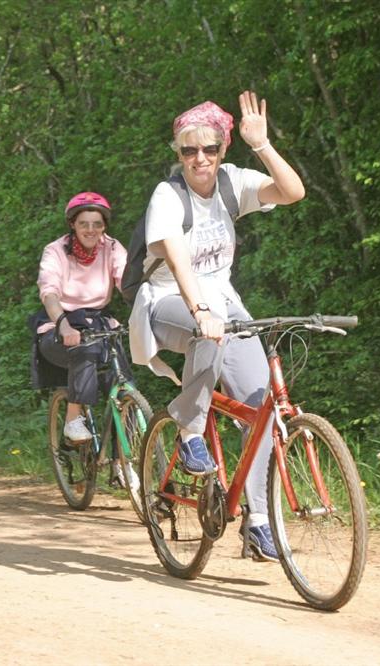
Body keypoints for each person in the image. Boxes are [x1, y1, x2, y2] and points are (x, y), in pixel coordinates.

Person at [128, 92, 305, 561]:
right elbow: (177, 257)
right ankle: (190, 432)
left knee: (258, 404)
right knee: (210, 331)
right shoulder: (168, 195)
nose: (199, 159)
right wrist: (201, 309)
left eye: (209, 148)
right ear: (178, 154)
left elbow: (293, 193)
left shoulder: (233, 182)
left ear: (224, 148)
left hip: (223, 306)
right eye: (188, 151)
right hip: (167, 303)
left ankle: (260, 522)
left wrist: (262, 146)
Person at [35, 192, 128, 441]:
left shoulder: (112, 247)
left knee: (123, 382)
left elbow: (127, 282)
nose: (90, 230)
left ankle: (124, 462)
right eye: (83, 223)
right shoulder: (55, 251)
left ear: (104, 226)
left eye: (97, 224)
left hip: (99, 323)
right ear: (72, 225)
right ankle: (73, 419)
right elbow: (49, 292)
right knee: (85, 349)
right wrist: (63, 325)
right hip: (59, 325)